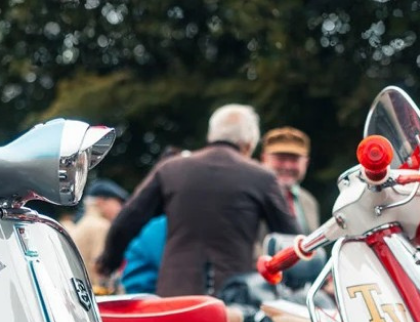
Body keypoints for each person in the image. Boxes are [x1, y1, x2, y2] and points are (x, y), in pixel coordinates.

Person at [97, 104, 297, 297]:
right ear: (250, 143)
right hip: (234, 296)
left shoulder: (171, 169)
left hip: (175, 295)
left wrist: (108, 263)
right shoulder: (262, 177)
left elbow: (126, 221)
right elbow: (291, 240)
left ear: (211, 135)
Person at [258, 126, 320, 234]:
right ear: (264, 159)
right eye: (280, 159)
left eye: (294, 159)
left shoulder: (309, 201)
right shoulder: (252, 196)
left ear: (306, 163)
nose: (287, 166)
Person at [71, 178, 129, 268]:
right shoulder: (101, 227)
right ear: (101, 202)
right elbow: (99, 268)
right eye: (118, 203)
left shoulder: (84, 223)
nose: (120, 208)